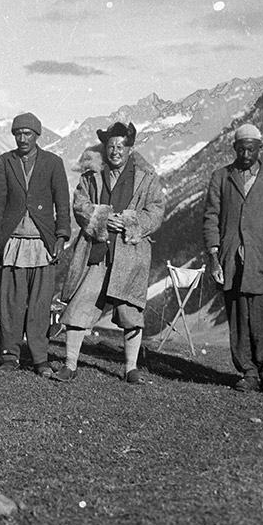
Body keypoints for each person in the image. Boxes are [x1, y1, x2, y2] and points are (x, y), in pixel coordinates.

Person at [55, 122, 165, 385]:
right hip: (98, 250)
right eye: (111, 146)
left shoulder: (146, 178)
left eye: (120, 146)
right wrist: (104, 218)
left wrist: (129, 221)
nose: (115, 151)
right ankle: (70, 364)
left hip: (130, 253)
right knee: (81, 304)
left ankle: (130, 368)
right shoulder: (92, 175)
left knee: (130, 310)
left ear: (130, 148)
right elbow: (80, 204)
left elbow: (157, 210)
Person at [202, 123, 263, 394]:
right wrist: (213, 255)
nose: (245, 154)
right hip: (234, 261)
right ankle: (248, 372)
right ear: (234, 148)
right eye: (241, 149)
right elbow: (211, 218)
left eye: (251, 149)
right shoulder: (221, 177)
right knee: (239, 318)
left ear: (260, 148)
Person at [0, 112, 70, 376]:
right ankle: (10, 356)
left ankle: (40, 358)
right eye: (18, 133)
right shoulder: (4, 162)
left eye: (27, 133)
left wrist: (61, 236)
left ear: (37, 136)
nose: (22, 138)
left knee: (40, 304)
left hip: (42, 243)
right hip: (13, 243)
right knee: (10, 303)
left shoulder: (53, 163)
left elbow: (62, 203)